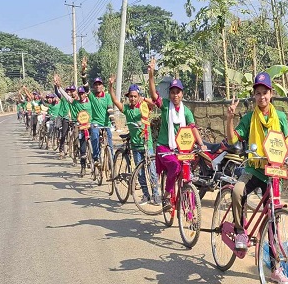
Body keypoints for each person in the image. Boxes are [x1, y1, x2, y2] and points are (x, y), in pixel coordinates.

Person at [225, 71, 288, 284]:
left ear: (271, 94)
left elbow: (285, 141)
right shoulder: (248, 118)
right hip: (254, 169)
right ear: (254, 96)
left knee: (273, 220)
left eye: (265, 92)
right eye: (258, 93)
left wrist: (286, 158)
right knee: (237, 191)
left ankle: (275, 268)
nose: (261, 97)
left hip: (273, 173)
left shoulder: (280, 117)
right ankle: (240, 232)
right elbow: (233, 138)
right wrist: (230, 117)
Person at [147, 58, 206, 206]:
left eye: (177, 92)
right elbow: (154, 95)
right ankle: (167, 195)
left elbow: (192, 128)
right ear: (170, 94)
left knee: (189, 174)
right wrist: (151, 75)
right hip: (164, 147)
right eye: (172, 92)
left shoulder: (186, 112)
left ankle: (191, 208)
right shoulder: (166, 106)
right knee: (174, 166)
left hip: (181, 148)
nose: (175, 95)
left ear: (182, 94)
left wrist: (201, 144)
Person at [108, 74, 159, 204]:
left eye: (135, 96)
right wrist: (110, 86)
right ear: (128, 97)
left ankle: (156, 195)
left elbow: (155, 102)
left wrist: (144, 98)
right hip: (135, 146)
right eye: (131, 96)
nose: (132, 98)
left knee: (152, 171)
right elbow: (115, 101)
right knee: (140, 172)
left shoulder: (144, 107)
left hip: (147, 144)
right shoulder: (126, 109)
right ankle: (146, 195)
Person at [55, 75, 93, 175]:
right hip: (80, 127)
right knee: (82, 147)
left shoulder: (91, 102)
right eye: (79, 94)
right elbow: (66, 97)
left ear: (86, 94)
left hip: (90, 126)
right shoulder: (74, 102)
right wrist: (59, 87)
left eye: (82, 93)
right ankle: (83, 166)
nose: (81, 95)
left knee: (96, 140)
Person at [80, 57, 114, 165]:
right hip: (95, 123)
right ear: (94, 86)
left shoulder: (107, 96)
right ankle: (95, 158)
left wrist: (113, 122)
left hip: (106, 124)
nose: (98, 86)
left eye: (99, 84)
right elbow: (85, 85)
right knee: (94, 136)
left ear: (102, 86)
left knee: (110, 144)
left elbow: (110, 109)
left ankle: (111, 164)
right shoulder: (92, 96)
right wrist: (83, 71)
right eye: (96, 84)